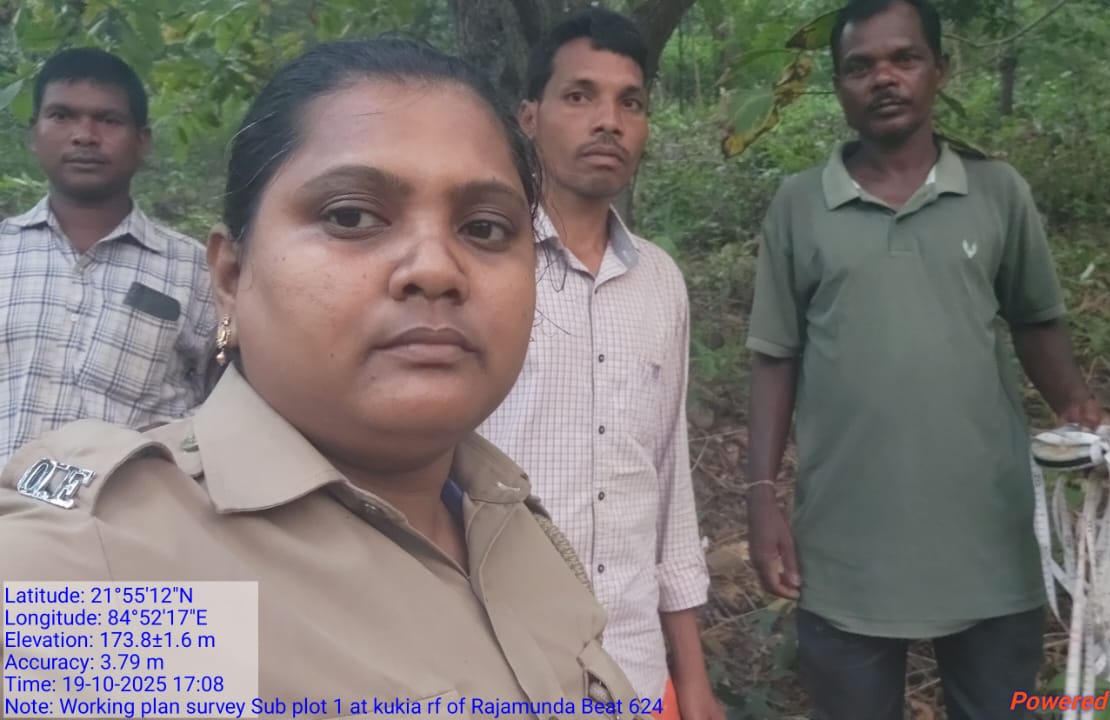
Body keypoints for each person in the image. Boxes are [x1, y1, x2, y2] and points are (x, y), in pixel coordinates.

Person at [0, 37, 648, 715]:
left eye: (485, 229)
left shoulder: (519, 531)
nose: (436, 268)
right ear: (230, 278)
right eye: (351, 217)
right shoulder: (117, 565)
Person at [743, 1, 1110, 718]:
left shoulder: (997, 191)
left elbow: (1034, 319)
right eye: (860, 66)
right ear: (839, 87)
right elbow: (776, 356)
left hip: (988, 538)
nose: (883, 79)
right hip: (847, 546)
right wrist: (761, 493)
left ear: (940, 71)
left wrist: (1076, 406)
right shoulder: (799, 206)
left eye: (905, 58)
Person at [478, 8, 720, 720]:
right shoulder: (482, 263)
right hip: (500, 669)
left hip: (634, 668)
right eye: (580, 96)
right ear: (529, 116)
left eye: (630, 102)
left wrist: (693, 679)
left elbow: (667, 481)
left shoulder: (660, 281)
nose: (608, 121)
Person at [0, 47, 217, 469]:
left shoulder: (193, 269)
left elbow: (230, 399)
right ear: (34, 133)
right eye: (62, 116)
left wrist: (173, 445)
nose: (84, 135)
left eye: (108, 120)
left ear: (142, 142)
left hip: (133, 505)